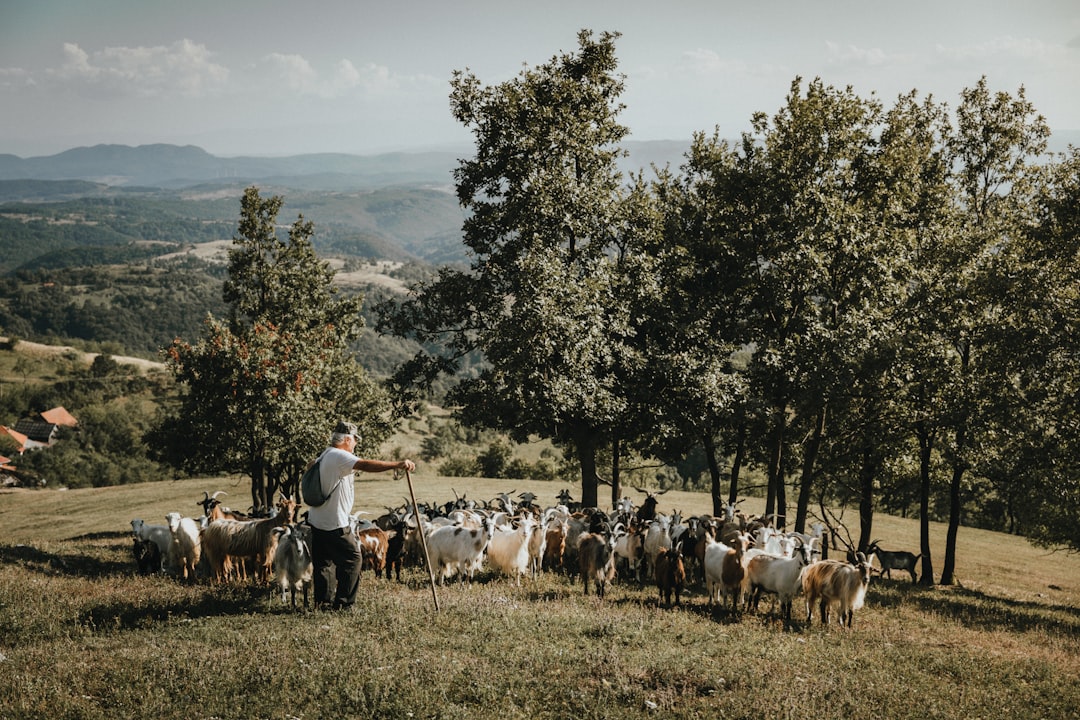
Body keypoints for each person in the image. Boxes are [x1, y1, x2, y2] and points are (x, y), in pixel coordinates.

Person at [306, 420, 415, 611]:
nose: (356, 444)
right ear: (347, 439)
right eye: (355, 440)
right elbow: (365, 464)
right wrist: (397, 464)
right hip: (335, 522)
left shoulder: (325, 454)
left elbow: (310, 467)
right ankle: (344, 604)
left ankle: (322, 603)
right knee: (353, 559)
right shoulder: (339, 456)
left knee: (324, 563)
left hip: (317, 519)